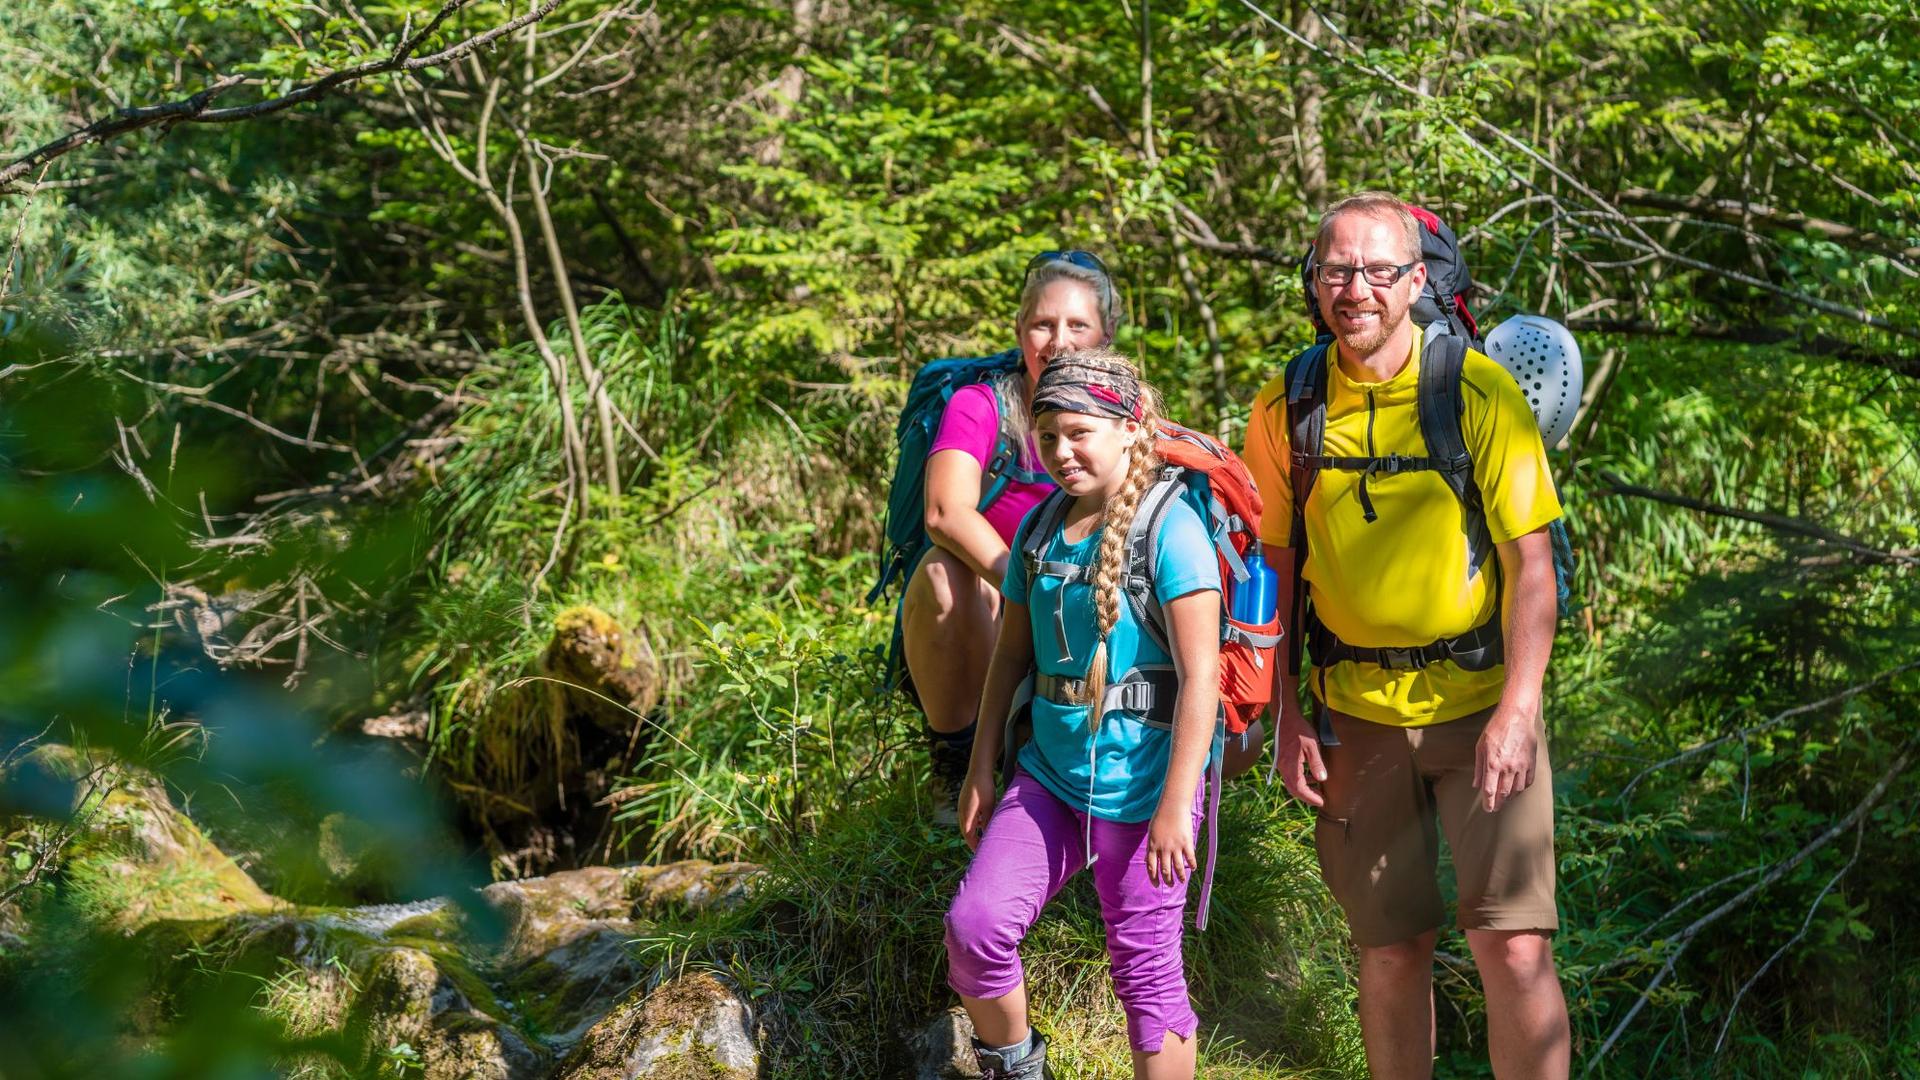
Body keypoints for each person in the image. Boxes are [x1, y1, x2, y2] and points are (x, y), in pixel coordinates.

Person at [1241, 193, 1572, 1078]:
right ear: (1314, 286)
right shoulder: (1287, 404)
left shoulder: (1476, 390)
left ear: (1415, 280)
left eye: (1378, 270)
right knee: (1390, 951)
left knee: (1515, 947)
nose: (1356, 289)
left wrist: (1520, 709)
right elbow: (1274, 575)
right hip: (1354, 716)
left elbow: (1530, 567)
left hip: (1480, 710)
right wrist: (1285, 717)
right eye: (1336, 271)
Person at [944, 350, 1220, 1080]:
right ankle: (1016, 1068)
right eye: (1049, 437)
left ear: (1131, 429)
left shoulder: (1173, 529)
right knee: (976, 928)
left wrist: (1173, 809)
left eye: (1079, 433)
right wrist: (980, 768)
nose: (1061, 452)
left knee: (1146, 976)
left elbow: (1201, 679)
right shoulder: (1039, 531)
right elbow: (1009, 658)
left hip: (1147, 783)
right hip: (1052, 777)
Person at [906, 252, 1118, 824]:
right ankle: (955, 756)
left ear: (1105, 335)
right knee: (944, 573)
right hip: (991, 609)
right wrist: (1032, 587)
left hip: (1094, 608)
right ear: (1021, 332)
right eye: (1043, 325)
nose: (1059, 341)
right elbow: (945, 512)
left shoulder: (1126, 413)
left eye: (1078, 325)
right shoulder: (980, 407)